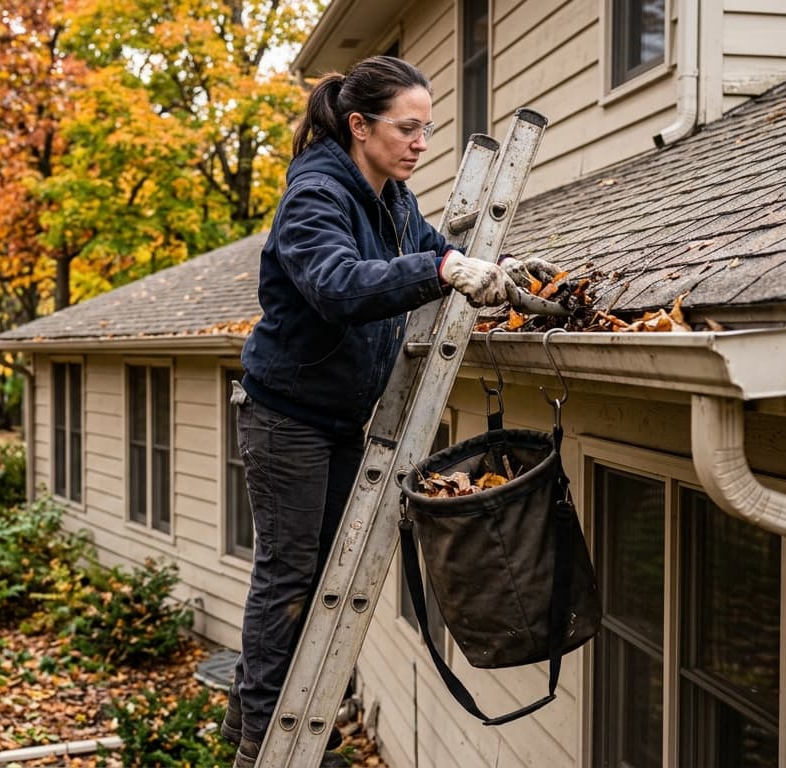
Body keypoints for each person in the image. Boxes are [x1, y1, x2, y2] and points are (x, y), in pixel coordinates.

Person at [225, 55, 551, 768]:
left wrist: (493, 273)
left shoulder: (392, 199)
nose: (420, 143)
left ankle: (275, 704)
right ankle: (259, 738)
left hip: (341, 417)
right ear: (359, 125)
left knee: (323, 572)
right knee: (290, 572)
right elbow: (339, 284)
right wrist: (438, 271)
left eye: (427, 130)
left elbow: (437, 254)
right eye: (408, 129)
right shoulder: (316, 195)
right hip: (285, 416)